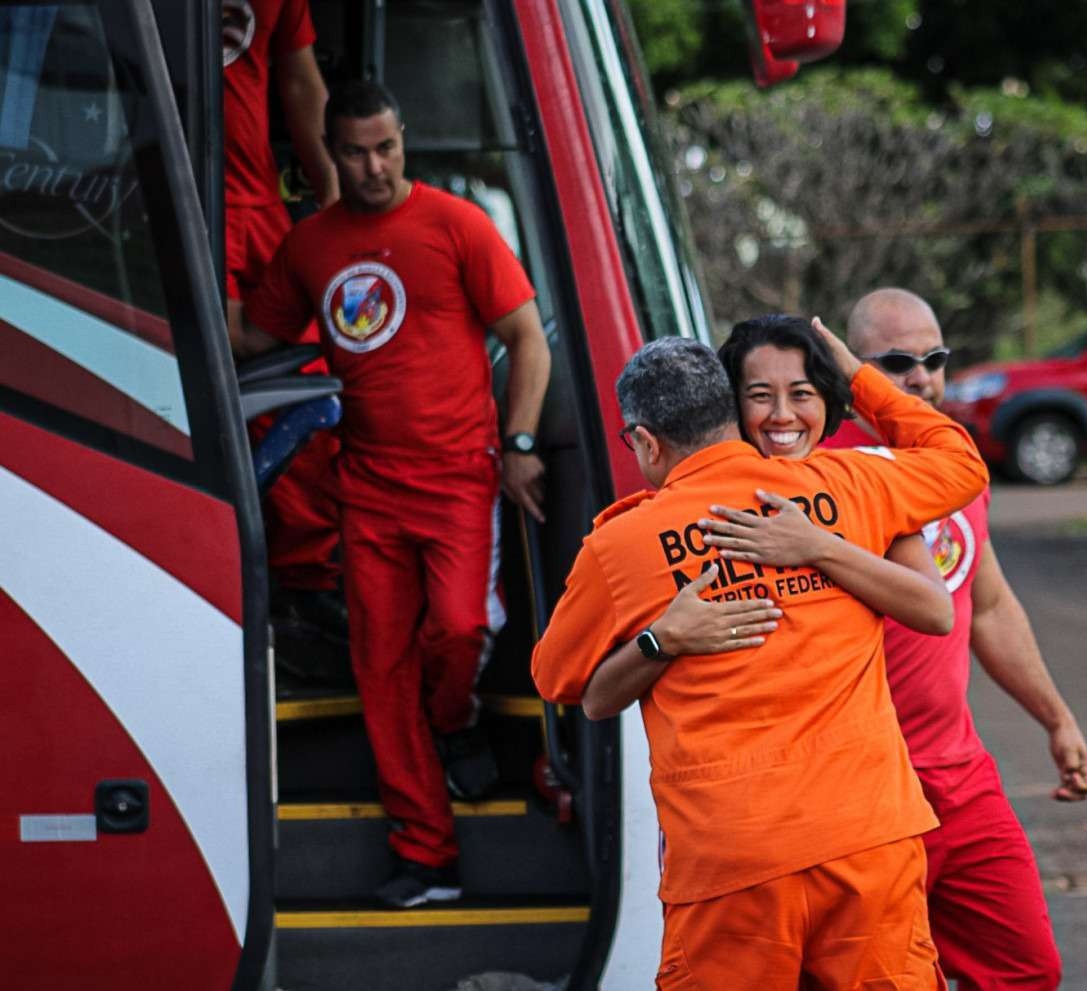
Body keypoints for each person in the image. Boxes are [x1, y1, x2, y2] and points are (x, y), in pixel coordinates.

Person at [532, 329, 989, 989]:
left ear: (646, 442)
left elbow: (556, 678)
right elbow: (959, 459)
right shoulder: (850, 485)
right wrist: (855, 374)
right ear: (732, 415)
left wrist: (662, 638)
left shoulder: (622, 545)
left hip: (732, 857)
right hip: (866, 837)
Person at [235, 79, 552, 908]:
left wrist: (518, 443)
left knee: (459, 628)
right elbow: (254, 334)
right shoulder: (311, 245)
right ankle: (428, 853)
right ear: (327, 156)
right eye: (354, 152)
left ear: (404, 141)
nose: (373, 167)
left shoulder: (456, 224)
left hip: (459, 479)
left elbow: (527, 338)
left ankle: (454, 722)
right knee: (380, 672)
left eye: (386, 148)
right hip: (367, 490)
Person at [811, 287, 1087, 989]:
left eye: (933, 358)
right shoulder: (825, 474)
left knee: (1026, 968)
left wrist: (1056, 719)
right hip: (865, 799)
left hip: (961, 781)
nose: (920, 377)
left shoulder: (955, 468)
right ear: (853, 372)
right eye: (896, 361)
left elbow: (989, 604)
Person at [222, 0, 344, 634]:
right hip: (151, 199)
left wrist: (332, 186)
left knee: (311, 388)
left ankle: (304, 578)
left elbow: (300, 78)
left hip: (256, 203)